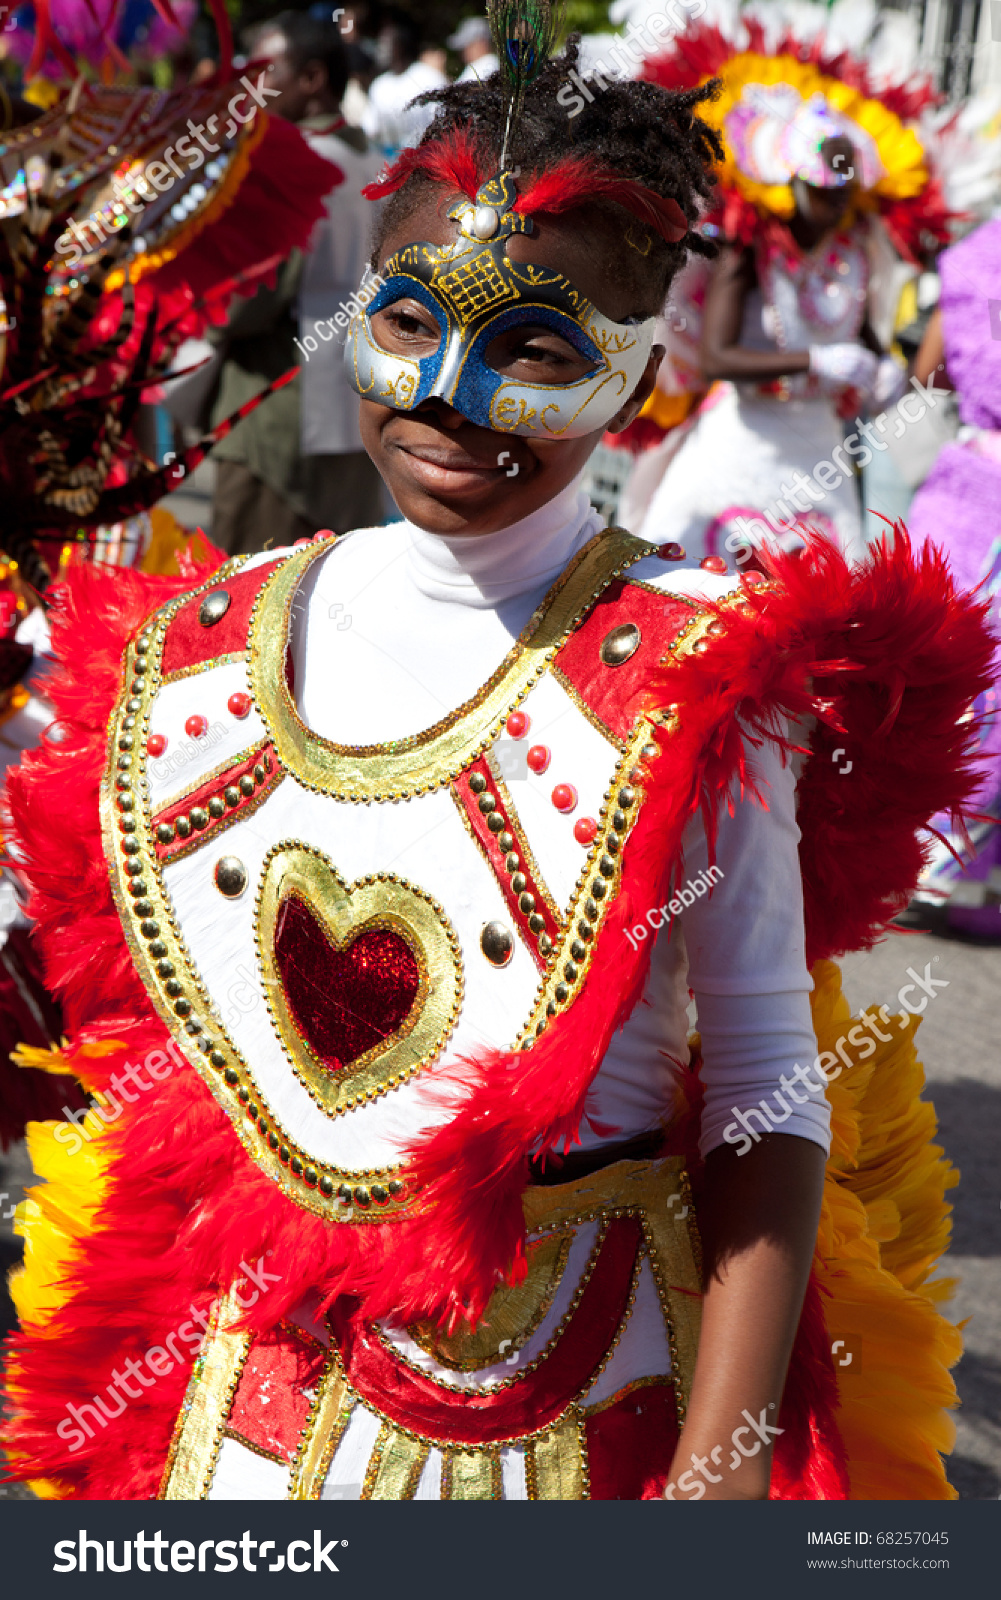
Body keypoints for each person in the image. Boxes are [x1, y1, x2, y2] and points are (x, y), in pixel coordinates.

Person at [2, 23, 990, 1503]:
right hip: (235, 1423)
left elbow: (766, 1090)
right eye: (410, 326)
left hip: (587, 1410)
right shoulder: (208, 639)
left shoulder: (700, 676)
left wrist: (718, 1484)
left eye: (537, 350)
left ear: (640, 369)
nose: (455, 397)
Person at [623, 15, 951, 570]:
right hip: (743, 446)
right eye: (824, 194)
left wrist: (882, 371)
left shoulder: (852, 254)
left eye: (845, 195)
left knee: (823, 607)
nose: (836, 209)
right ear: (791, 186)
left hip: (821, 451)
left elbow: (862, 338)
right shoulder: (749, 250)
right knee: (707, 590)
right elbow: (717, 358)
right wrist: (815, 359)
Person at [898, 216, 1001, 937]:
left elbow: (927, 371)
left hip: (961, 486)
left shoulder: (976, 259)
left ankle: (896, 852)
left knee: (921, 658)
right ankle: (954, 870)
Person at [253, 12, 387, 536]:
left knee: (247, 592)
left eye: (266, 71)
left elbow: (246, 300)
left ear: (311, 79)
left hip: (279, 414)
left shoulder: (286, 165)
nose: (254, 88)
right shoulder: (382, 165)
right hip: (366, 400)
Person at [363, 9, 446, 159]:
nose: (381, 50)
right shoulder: (379, 85)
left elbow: (444, 122)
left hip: (429, 159)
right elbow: (370, 129)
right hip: (390, 162)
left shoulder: (429, 77)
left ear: (400, 46)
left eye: (386, 43)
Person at [448, 15, 499, 84]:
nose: (462, 52)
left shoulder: (484, 66)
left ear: (481, 42)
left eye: (467, 46)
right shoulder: (487, 64)